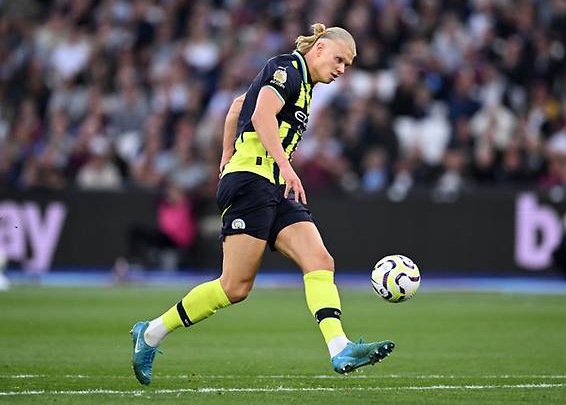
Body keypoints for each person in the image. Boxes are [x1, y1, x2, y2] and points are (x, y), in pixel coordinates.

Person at [130, 24, 394, 385]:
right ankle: (150, 334)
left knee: (319, 259)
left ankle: (339, 347)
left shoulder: (304, 84)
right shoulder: (287, 68)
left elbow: (239, 105)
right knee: (234, 287)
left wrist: (226, 152)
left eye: (347, 65)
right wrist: (280, 166)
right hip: (253, 181)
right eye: (339, 60)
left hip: (273, 184)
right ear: (319, 48)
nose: (341, 70)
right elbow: (259, 115)